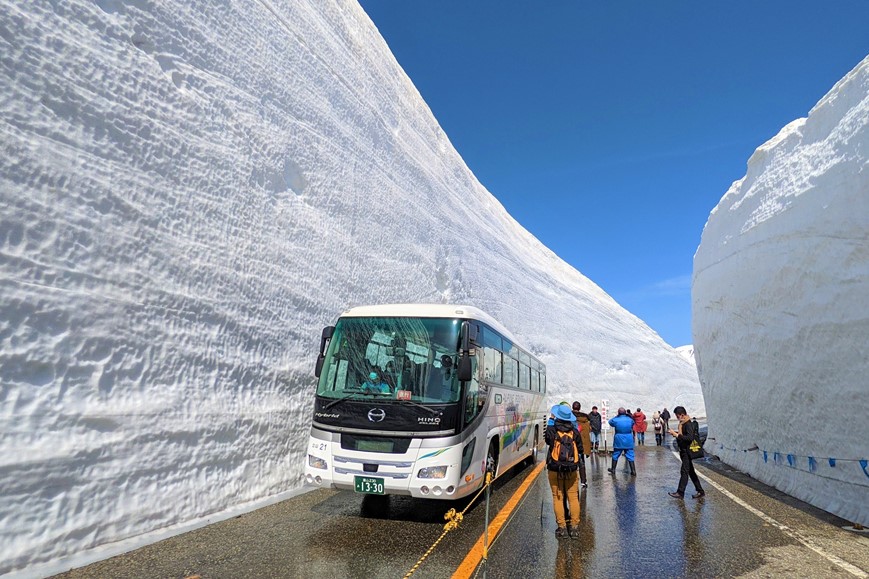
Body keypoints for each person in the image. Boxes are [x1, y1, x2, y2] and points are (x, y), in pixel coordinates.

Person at [545, 404, 581, 539]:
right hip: (571, 469)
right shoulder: (574, 431)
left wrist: (551, 420)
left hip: (555, 468)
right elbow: (581, 449)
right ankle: (575, 528)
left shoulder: (552, 429)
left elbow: (548, 441)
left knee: (557, 497)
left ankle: (562, 528)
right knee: (573, 497)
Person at [668, 406, 705, 499]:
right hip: (684, 451)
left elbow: (689, 438)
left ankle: (680, 492)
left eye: (677, 416)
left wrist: (677, 435)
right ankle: (700, 491)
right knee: (691, 472)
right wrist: (676, 434)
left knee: (684, 471)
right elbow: (684, 435)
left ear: (682, 415)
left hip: (687, 452)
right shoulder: (683, 424)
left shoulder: (688, 424)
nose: (677, 418)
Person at [607, 407, 636, 476]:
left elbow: (610, 422)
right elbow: (633, 423)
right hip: (628, 438)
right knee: (630, 455)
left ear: (618, 412)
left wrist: (617, 416)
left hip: (619, 438)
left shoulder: (616, 420)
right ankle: (633, 470)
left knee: (616, 454)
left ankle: (613, 469)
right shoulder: (630, 419)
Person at [571, 401, 591, 488]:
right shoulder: (585, 419)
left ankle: (571, 481)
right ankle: (583, 481)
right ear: (579, 408)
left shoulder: (569, 417)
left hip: (571, 444)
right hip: (581, 445)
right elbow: (587, 433)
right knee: (581, 462)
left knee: (571, 462)